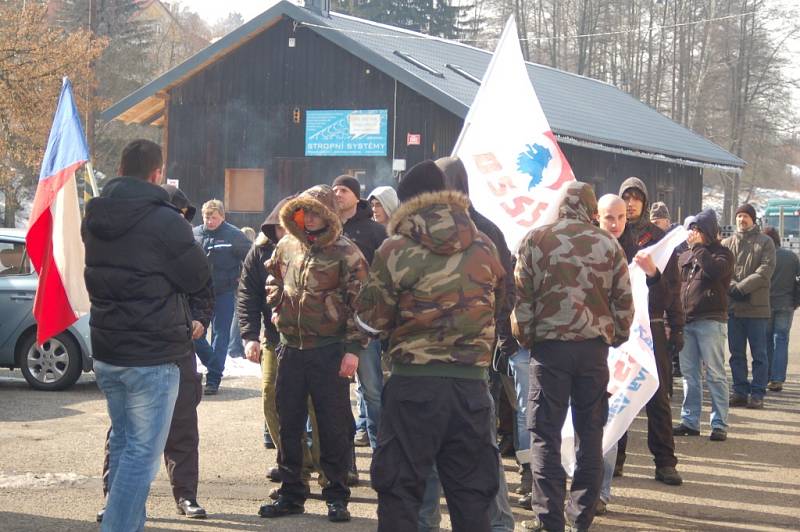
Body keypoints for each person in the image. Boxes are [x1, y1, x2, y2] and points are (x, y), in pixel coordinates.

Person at [356, 160, 505, 532]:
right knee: (472, 495)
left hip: (413, 386)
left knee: (400, 492)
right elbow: (500, 303)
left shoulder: (396, 248)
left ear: (407, 202)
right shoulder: (485, 244)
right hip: (471, 388)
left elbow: (369, 320)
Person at [82, 139, 211, 532]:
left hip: (108, 350)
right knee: (141, 454)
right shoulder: (167, 220)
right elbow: (198, 276)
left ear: (121, 168)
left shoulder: (94, 215)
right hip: (152, 355)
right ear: (157, 174)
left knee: (123, 443)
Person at [513, 182, 634, 532]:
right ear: (593, 210)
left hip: (549, 352)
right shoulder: (608, 244)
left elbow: (522, 302)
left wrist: (528, 338)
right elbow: (624, 305)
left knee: (544, 436)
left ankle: (548, 519)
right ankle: (581, 519)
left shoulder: (536, 240)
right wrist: (613, 338)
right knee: (590, 435)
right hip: (592, 352)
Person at [259, 185, 367, 523]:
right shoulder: (287, 245)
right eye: (303, 211)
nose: (309, 218)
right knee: (288, 420)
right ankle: (292, 492)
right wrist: (277, 307)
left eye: (316, 211)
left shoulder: (347, 253)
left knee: (332, 424)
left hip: (330, 350)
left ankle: (336, 494)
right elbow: (272, 279)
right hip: (291, 347)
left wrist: (352, 350)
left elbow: (362, 304)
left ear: (329, 215)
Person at [237, 197, 325, 496]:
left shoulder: (318, 249)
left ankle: (323, 466)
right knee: (270, 397)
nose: (282, 232)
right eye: (277, 227)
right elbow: (247, 295)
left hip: (315, 340)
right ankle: (293, 464)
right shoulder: (259, 252)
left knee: (317, 405)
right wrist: (249, 336)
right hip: (275, 338)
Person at [614, 178, 684, 486]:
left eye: (636, 198)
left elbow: (672, 291)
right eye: (625, 198)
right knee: (615, 394)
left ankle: (665, 462)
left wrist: (677, 327)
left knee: (657, 396)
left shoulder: (658, 238)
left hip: (651, 325)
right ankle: (613, 460)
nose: (630, 204)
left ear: (644, 201)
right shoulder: (608, 236)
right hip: (616, 326)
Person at [332, 175, 387, 465]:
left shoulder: (374, 231)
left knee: (372, 391)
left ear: (356, 195)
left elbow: (386, 276)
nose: (337, 194)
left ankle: (382, 456)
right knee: (335, 397)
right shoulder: (326, 228)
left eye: (343, 190)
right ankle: (345, 462)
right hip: (330, 325)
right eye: (335, 189)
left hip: (366, 325)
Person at [673, 209, 734, 441]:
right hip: (687, 321)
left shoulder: (723, 254)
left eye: (698, 229)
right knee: (689, 375)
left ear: (707, 231)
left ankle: (719, 424)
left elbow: (715, 271)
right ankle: (690, 420)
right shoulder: (686, 256)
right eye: (692, 230)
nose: (693, 234)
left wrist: (698, 249)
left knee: (715, 374)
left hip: (711, 321)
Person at [192, 200, 251, 394]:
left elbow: (251, 259)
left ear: (222, 217)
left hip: (223, 292)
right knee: (193, 334)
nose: (210, 221)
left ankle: (213, 379)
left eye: (214, 217)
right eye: (207, 217)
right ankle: (214, 363)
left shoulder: (234, 235)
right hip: (198, 293)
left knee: (220, 334)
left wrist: (242, 280)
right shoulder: (195, 234)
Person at [722, 203, 776, 409]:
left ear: (753, 219)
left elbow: (765, 270)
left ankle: (758, 393)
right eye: (739, 216)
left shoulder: (765, 242)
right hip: (734, 309)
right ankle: (740, 391)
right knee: (736, 354)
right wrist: (732, 287)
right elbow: (722, 269)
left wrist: (741, 288)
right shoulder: (727, 243)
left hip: (757, 309)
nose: (741, 220)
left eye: (745, 216)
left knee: (759, 354)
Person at [650, 201, 686, 381]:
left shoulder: (677, 244)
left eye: (658, 222)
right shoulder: (647, 243)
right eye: (652, 222)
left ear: (667, 222)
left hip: (671, 306)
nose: (655, 226)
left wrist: (676, 326)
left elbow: (675, 288)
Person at [762, 226, 799, 392]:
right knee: (781, 340)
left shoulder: (763, 256)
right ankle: (777, 379)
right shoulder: (791, 257)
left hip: (765, 303)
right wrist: (796, 300)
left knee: (767, 340)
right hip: (786, 303)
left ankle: (768, 375)